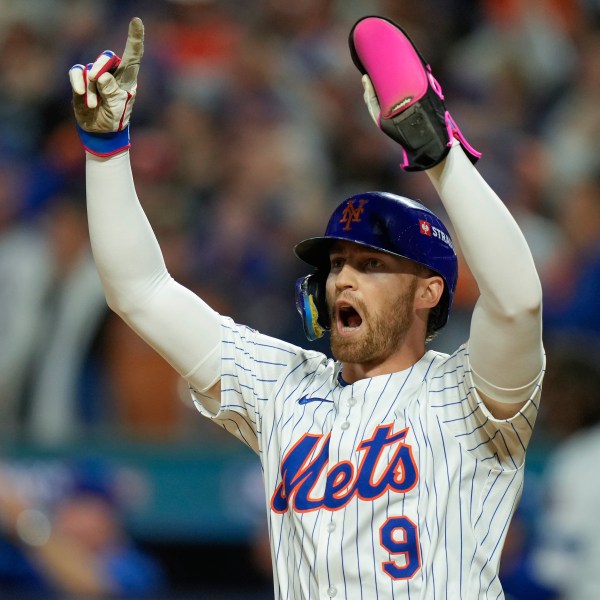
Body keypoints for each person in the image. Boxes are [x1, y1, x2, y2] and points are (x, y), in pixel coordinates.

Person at [68, 15, 545, 599]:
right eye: (337, 265)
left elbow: (518, 304)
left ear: (429, 290)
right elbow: (139, 291)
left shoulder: (465, 392)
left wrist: (438, 154)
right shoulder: (284, 389)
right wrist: (106, 151)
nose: (343, 279)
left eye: (371, 265)